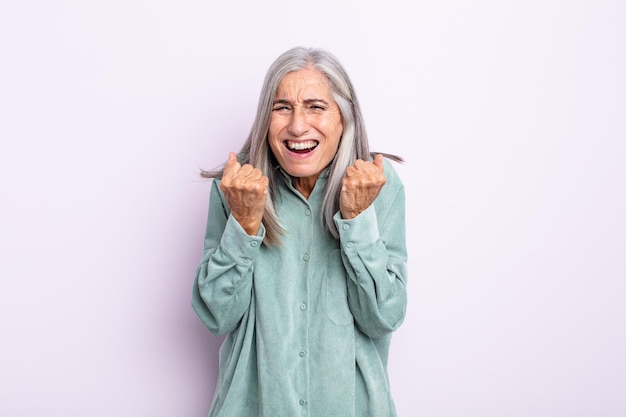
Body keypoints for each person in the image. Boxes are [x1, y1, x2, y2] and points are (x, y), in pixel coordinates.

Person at [192, 46, 408, 417]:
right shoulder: (237, 186)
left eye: (315, 106)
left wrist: (357, 221)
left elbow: (384, 317)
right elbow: (216, 316)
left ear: (344, 117)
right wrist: (244, 225)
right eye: (282, 107)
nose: (297, 126)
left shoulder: (379, 185)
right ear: (266, 118)